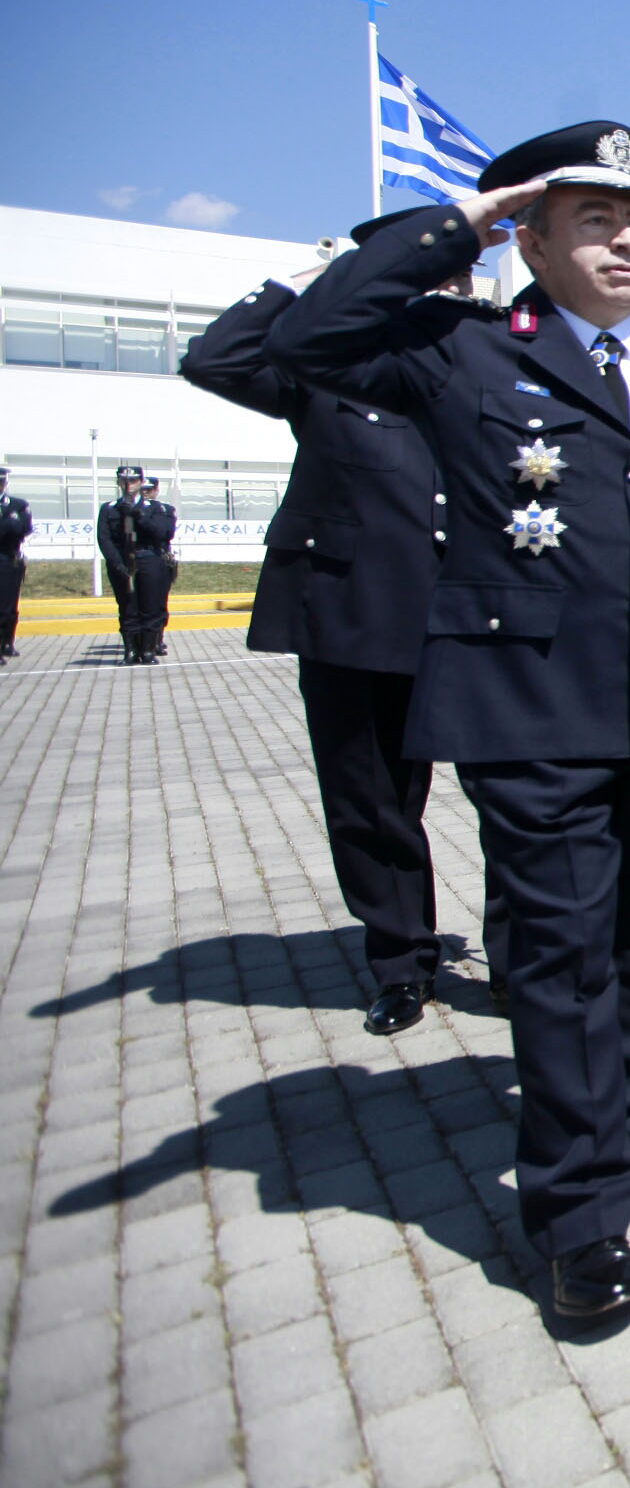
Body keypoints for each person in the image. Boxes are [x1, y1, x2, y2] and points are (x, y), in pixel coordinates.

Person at [267, 121, 630, 1321]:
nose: (627, 243)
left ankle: (628, 1132)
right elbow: (302, 339)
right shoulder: (460, 349)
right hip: (530, 708)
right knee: (561, 959)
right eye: (595, 221)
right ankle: (577, 1213)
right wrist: (458, 225)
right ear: (533, 241)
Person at [182, 237, 460, 1035]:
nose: (441, 284)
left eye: (453, 269)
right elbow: (216, 360)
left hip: (474, 613)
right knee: (370, 800)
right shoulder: (327, 362)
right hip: (355, 610)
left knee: (516, 799)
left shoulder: (484, 362)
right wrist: (307, 280)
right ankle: (402, 963)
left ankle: (520, 962)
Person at [98, 466, 178, 663]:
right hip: (123, 560)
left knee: (151, 606)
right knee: (128, 607)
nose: (128, 485)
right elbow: (104, 538)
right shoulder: (109, 508)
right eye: (124, 481)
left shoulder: (156, 508)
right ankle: (131, 651)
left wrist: (139, 516)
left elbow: (163, 533)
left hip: (149, 558)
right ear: (118, 482)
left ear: (141, 482)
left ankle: (148, 650)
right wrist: (116, 562)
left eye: (133, 481)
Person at [0, 467, 29, 660]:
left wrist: (9, 525)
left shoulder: (18, 504)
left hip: (10, 559)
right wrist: (9, 524)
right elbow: (12, 527)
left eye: (2, 482)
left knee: (9, 607)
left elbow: (24, 528)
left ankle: (7, 643)